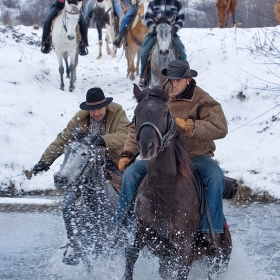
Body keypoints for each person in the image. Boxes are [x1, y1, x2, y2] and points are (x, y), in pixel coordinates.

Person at [115, 60, 228, 255]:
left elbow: (220, 128)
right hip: (162, 158)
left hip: (195, 156)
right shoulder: (158, 97)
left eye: (178, 81)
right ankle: (122, 227)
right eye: (170, 80)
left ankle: (212, 232)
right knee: (132, 173)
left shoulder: (202, 99)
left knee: (216, 177)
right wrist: (127, 154)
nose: (173, 85)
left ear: (188, 79)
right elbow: (139, 127)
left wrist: (190, 126)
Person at [32, 87, 129, 265]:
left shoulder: (118, 113)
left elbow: (126, 135)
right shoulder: (81, 117)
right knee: (68, 203)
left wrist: (103, 140)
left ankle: (131, 234)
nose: (96, 113)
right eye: (92, 109)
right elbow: (63, 139)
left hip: (113, 162)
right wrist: (45, 161)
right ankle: (74, 242)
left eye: (99, 108)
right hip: (86, 167)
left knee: (129, 190)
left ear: (106, 105)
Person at [138, 0, 187, 88]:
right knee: (144, 53)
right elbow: (148, 18)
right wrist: (155, 28)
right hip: (155, 33)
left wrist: (174, 28)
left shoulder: (176, 4)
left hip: (171, 33)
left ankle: (184, 77)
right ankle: (143, 77)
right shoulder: (153, 3)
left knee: (182, 53)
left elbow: (181, 19)